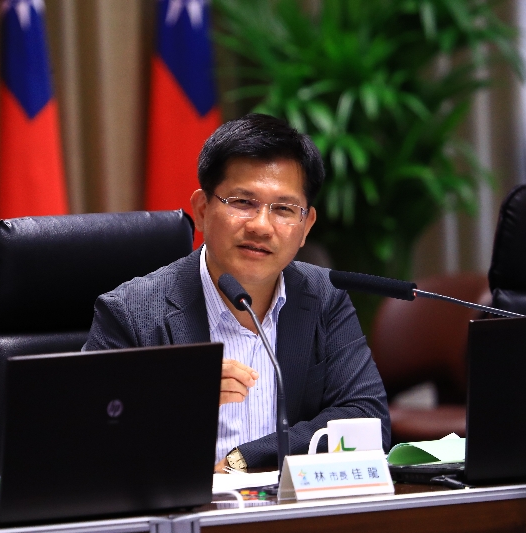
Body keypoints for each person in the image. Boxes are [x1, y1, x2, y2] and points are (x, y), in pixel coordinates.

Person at [84, 113, 390, 471]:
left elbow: (366, 418)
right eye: (243, 202)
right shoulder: (131, 311)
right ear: (202, 210)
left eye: (284, 209)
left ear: (306, 226)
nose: (261, 226)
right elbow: (88, 438)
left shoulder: (324, 296)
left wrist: (244, 459)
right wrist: (177, 399)